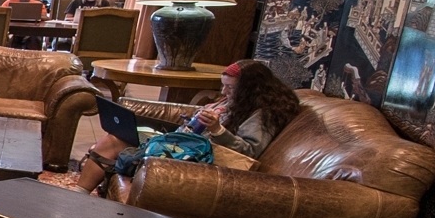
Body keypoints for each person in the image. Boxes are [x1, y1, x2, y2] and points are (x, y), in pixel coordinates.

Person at [75, 60, 303, 193]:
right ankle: (80, 194)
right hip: (185, 144)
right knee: (115, 137)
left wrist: (217, 130)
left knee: (113, 143)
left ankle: (79, 195)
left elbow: (250, 151)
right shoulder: (237, 102)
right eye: (223, 87)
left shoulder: (261, 114)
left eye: (231, 88)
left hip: (199, 159)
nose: (224, 93)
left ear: (251, 90)